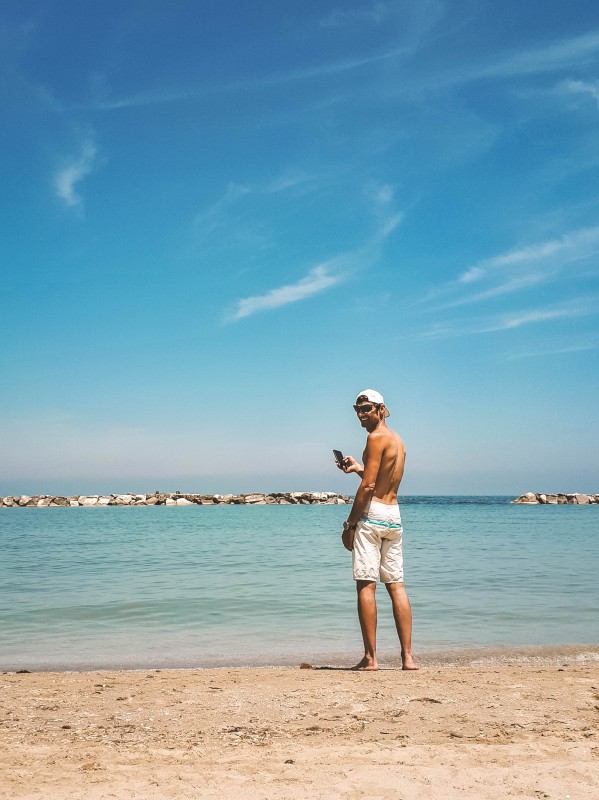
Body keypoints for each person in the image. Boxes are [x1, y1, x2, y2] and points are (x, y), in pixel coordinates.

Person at [336, 389, 417, 671]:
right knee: (396, 585)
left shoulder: (374, 438)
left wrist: (350, 524)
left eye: (366, 409)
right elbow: (382, 481)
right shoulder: (399, 441)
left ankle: (371, 659)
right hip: (394, 516)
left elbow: (369, 488)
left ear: (381, 408)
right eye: (357, 409)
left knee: (366, 584)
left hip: (372, 517)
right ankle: (408, 658)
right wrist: (359, 468)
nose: (361, 415)